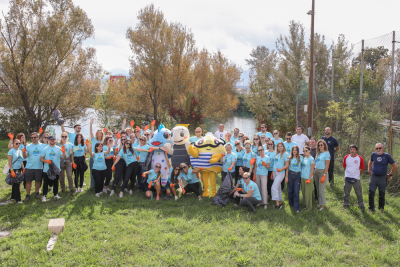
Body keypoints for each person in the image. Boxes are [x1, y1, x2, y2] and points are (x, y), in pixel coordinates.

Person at [368, 143, 398, 213]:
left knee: (381, 194)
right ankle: (371, 208)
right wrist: (369, 170)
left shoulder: (387, 156)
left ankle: (381, 208)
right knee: (371, 192)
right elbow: (370, 161)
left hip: (382, 177)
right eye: (377, 148)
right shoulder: (373, 154)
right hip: (374, 177)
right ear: (375, 149)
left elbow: (395, 166)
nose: (378, 149)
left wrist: (390, 175)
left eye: (380, 148)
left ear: (383, 148)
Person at [40, 136, 66, 202]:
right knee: (45, 183)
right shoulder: (45, 149)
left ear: (55, 140)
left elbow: (64, 157)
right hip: (46, 169)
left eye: (53, 139)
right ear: (48, 140)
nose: (52, 141)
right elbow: (41, 158)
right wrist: (46, 161)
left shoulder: (58, 148)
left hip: (56, 169)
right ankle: (44, 195)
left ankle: (55, 194)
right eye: (51, 140)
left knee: (55, 182)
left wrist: (64, 152)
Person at [22, 132, 45, 200]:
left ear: (38, 137)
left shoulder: (43, 145)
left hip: (39, 166)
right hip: (29, 166)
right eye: (32, 137)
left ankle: (36, 193)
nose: (33, 139)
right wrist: (23, 152)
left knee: (38, 181)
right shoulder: (28, 146)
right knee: (28, 181)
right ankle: (28, 195)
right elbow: (25, 156)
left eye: (34, 137)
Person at [343, 144, 365, 211]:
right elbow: (344, 167)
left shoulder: (360, 158)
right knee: (346, 193)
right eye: (351, 149)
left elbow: (362, 168)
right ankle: (346, 204)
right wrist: (348, 174)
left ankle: (361, 205)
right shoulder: (346, 157)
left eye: (353, 149)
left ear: (356, 151)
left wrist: (357, 174)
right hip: (347, 178)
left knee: (359, 194)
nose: (352, 151)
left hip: (356, 179)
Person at [271, 142, 290, 209]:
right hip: (275, 172)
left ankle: (277, 205)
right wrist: (273, 172)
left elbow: (287, 165)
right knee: (278, 188)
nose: (280, 147)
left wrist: (280, 169)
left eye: (281, 146)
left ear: (283, 147)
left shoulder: (285, 154)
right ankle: (280, 202)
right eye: (278, 146)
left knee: (274, 187)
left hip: (280, 173)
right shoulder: (278, 154)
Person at [314, 139, 330, 211]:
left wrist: (324, 175)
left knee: (321, 191)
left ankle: (323, 206)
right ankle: (320, 204)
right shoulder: (318, 153)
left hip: (322, 172)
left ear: (324, 145)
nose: (320, 146)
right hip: (316, 172)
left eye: (321, 145)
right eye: (319, 145)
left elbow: (327, 165)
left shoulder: (326, 153)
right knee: (317, 189)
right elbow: (315, 163)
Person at [8, 139, 25, 204]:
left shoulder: (20, 151)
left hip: (19, 169)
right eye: (16, 143)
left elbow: (21, 160)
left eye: (19, 143)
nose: (18, 145)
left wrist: (23, 168)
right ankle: (18, 199)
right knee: (17, 184)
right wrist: (12, 170)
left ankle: (13, 197)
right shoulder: (11, 151)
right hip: (14, 169)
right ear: (13, 144)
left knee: (15, 183)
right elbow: (9, 161)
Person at [287, 145, 302, 212]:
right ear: (292, 151)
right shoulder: (290, 158)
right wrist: (286, 176)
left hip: (297, 175)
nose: (294, 151)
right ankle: (291, 204)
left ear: (298, 151)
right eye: (293, 150)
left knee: (296, 191)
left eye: (296, 150)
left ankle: (297, 207)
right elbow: (287, 168)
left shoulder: (300, 157)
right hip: (290, 174)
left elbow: (303, 166)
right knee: (290, 190)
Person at [90, 119, 105, 188]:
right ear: (96, 134)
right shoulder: (94, 139)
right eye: (98, 134)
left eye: (100, 134)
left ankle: (100, 185)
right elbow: (91, 132)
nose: (99, 135)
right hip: (93, 157)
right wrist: (91, 124)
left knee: (101, 172)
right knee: (93, 171)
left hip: (101, 158)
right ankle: (93, 185)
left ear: (102, 135)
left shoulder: (104, 141)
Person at [301, 146, 315, 211]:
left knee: (308, 193)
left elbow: (312, 170)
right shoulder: (304, 158)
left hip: (308, 178)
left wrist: (309, 178)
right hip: (302, 177)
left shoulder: (311, 159)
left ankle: (309, 208)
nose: (305, 152)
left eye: (306, 150)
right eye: (304, 151)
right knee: (303, 192)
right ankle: (305, 205)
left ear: (309, 150)